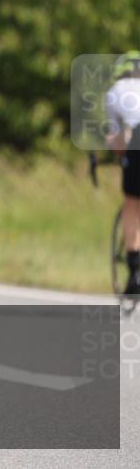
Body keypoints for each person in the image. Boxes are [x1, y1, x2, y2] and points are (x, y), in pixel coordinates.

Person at [106, 50, 140, 295]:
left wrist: (120, 155)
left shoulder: (115, 91)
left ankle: (135, 273)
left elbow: (118, 142)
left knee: (131, 203)